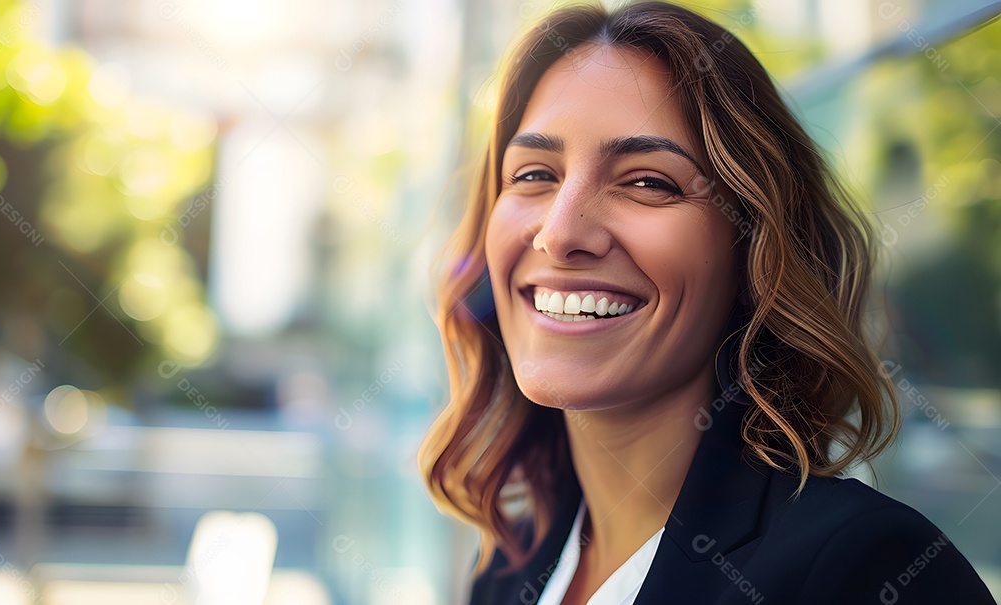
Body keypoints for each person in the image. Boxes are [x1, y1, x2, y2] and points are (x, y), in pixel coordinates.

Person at [417, 2, 996, 604]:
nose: (559, 234)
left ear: (755, 250)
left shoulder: (861, 567)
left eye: (648, 182)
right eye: (534, 174)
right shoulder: (510, 565)